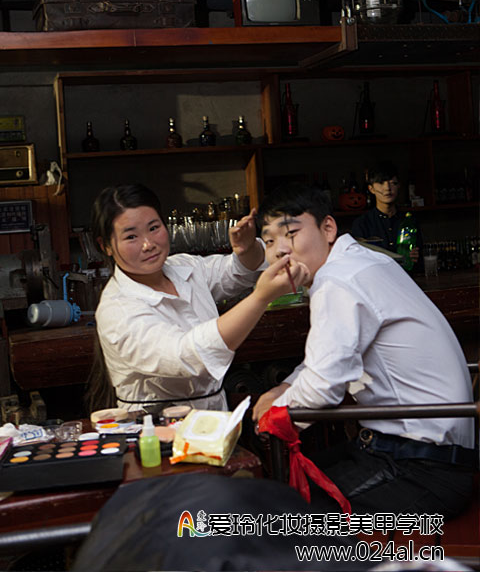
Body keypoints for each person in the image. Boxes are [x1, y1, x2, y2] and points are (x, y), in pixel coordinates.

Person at [252, 182, 474, 519]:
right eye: (269, 241)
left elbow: (322, 387)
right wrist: (283, 388)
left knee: (283, 515)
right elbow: (326, 361)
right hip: (407, 450)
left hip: (422, 468)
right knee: (275, 492)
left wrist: (272, 413)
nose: (280, 251)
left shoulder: (337, 280)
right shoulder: (361, 261)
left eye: (291, 233)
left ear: (328, 228)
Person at [87, 183, 309, 413]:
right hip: (154, 425)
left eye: (154, 228)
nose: (148, 244)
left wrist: (247, 248)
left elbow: (237, 271)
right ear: (106, 246)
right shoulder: (117, 308)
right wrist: (260, 298)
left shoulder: (183, 266)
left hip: (214, 418)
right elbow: (186, 356)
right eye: (131, 236)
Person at [351, 161, 422, 267]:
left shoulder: (409, 221)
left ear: (399, 186)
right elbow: (358, 262)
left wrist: (416, 256)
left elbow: (421, 259)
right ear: (371, 189)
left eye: (393, 183)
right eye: (381, 183)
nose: (387, 188)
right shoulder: (362, 224)